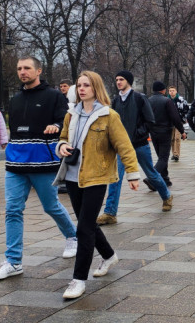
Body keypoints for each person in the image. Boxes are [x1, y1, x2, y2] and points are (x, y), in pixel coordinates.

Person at [0, 56, 78, 281]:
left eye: (27, 68)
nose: (22, 72)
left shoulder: (55, 96)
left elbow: (65, 123)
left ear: (38, 70)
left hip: (44, 163)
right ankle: (13, 261)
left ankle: (72, 237)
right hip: (15, 164)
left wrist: (55, 126)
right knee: (12, 210)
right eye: (19, 68)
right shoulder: (15, 99)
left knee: (51, 206)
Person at [54, 71, 140, 299]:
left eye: (87, 85)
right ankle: (109, 255)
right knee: (88, 223)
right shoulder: (71, 114)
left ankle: (78, 280)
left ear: (96, 88)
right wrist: (61, 146)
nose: (81, 89)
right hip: (73, 177)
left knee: (83, 229)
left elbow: (124, 146)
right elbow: (63, 137)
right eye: (79, 85)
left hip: (97, 177)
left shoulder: (108, 116)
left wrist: (132, 174)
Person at [96, 71, 172, 226]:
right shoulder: (116, 100)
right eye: (116, 79)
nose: (118, 82)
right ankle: (110, 212)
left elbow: (150, 120)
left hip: (139, 144)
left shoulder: (139, 98)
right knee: (115, 178)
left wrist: (139, 134)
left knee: (151, 173)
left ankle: (166, 196)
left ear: (128, 81)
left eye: (121, 79)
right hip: (121, 147)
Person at [149, 81, 186, 187]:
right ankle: (152, 179)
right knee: (163, 158)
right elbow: (175, 118)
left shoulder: (148, 100)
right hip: (165, 132)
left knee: (160, 157)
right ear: (163, 90)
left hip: (153, 132)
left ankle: (165, 179)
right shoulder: (167, 101)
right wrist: (182, 131)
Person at [167, 86, 190, 162]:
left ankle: (177, 154)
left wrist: (183, 119)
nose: (172, 92)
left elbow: (186, 109)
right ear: (168, 92)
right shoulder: (167, 100)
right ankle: (174, 153)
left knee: (177, 138)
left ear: (176, 91)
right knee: (172, 139)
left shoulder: (181, 100)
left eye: (173, 90)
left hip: (178, 121)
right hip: (169, 122)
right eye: (170, 91)